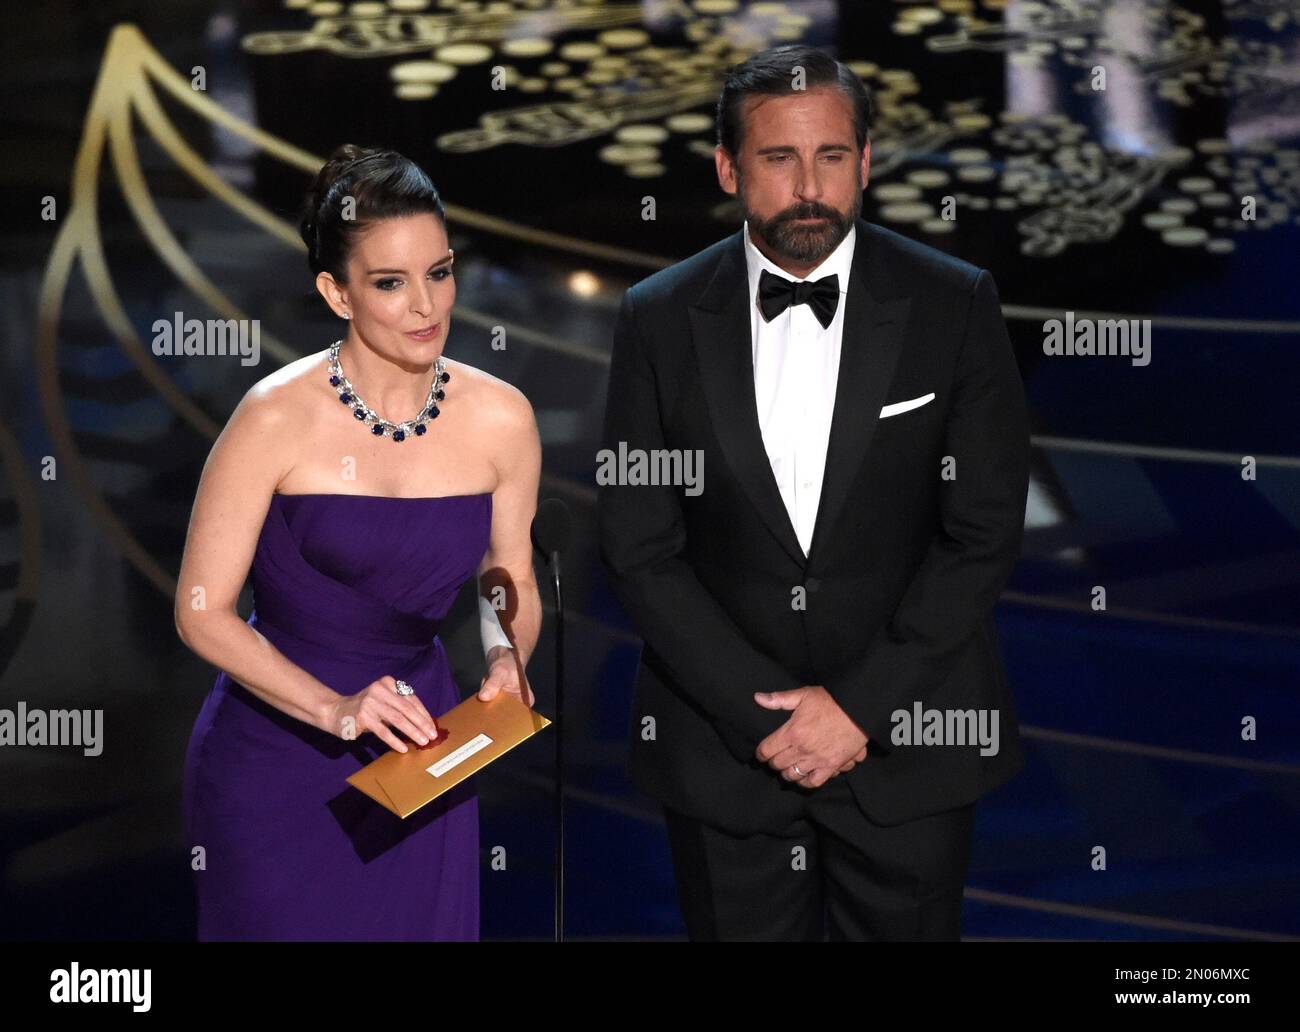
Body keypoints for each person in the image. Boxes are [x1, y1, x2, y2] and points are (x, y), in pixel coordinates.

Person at [597, 46, 1030, 941]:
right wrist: (765, 720)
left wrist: (859, 709)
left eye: (832, 157)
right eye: (779, 158)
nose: (810, 187)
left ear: (865, 162)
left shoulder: (954, 304)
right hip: (727, 757)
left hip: (910, 750)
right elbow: (642, 547)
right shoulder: (657, 316)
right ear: (728, 168)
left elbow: (981, 533)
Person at [177, 144, 541, 941]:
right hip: (274, 761)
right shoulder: (272, 417)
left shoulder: (502, 417)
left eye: (439, 273)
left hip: (420, 752)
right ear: (335, 293)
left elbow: (504, 570)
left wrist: (506, 651)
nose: (425, 306)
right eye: (390, 282)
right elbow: (202, 613)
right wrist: (336, 709)